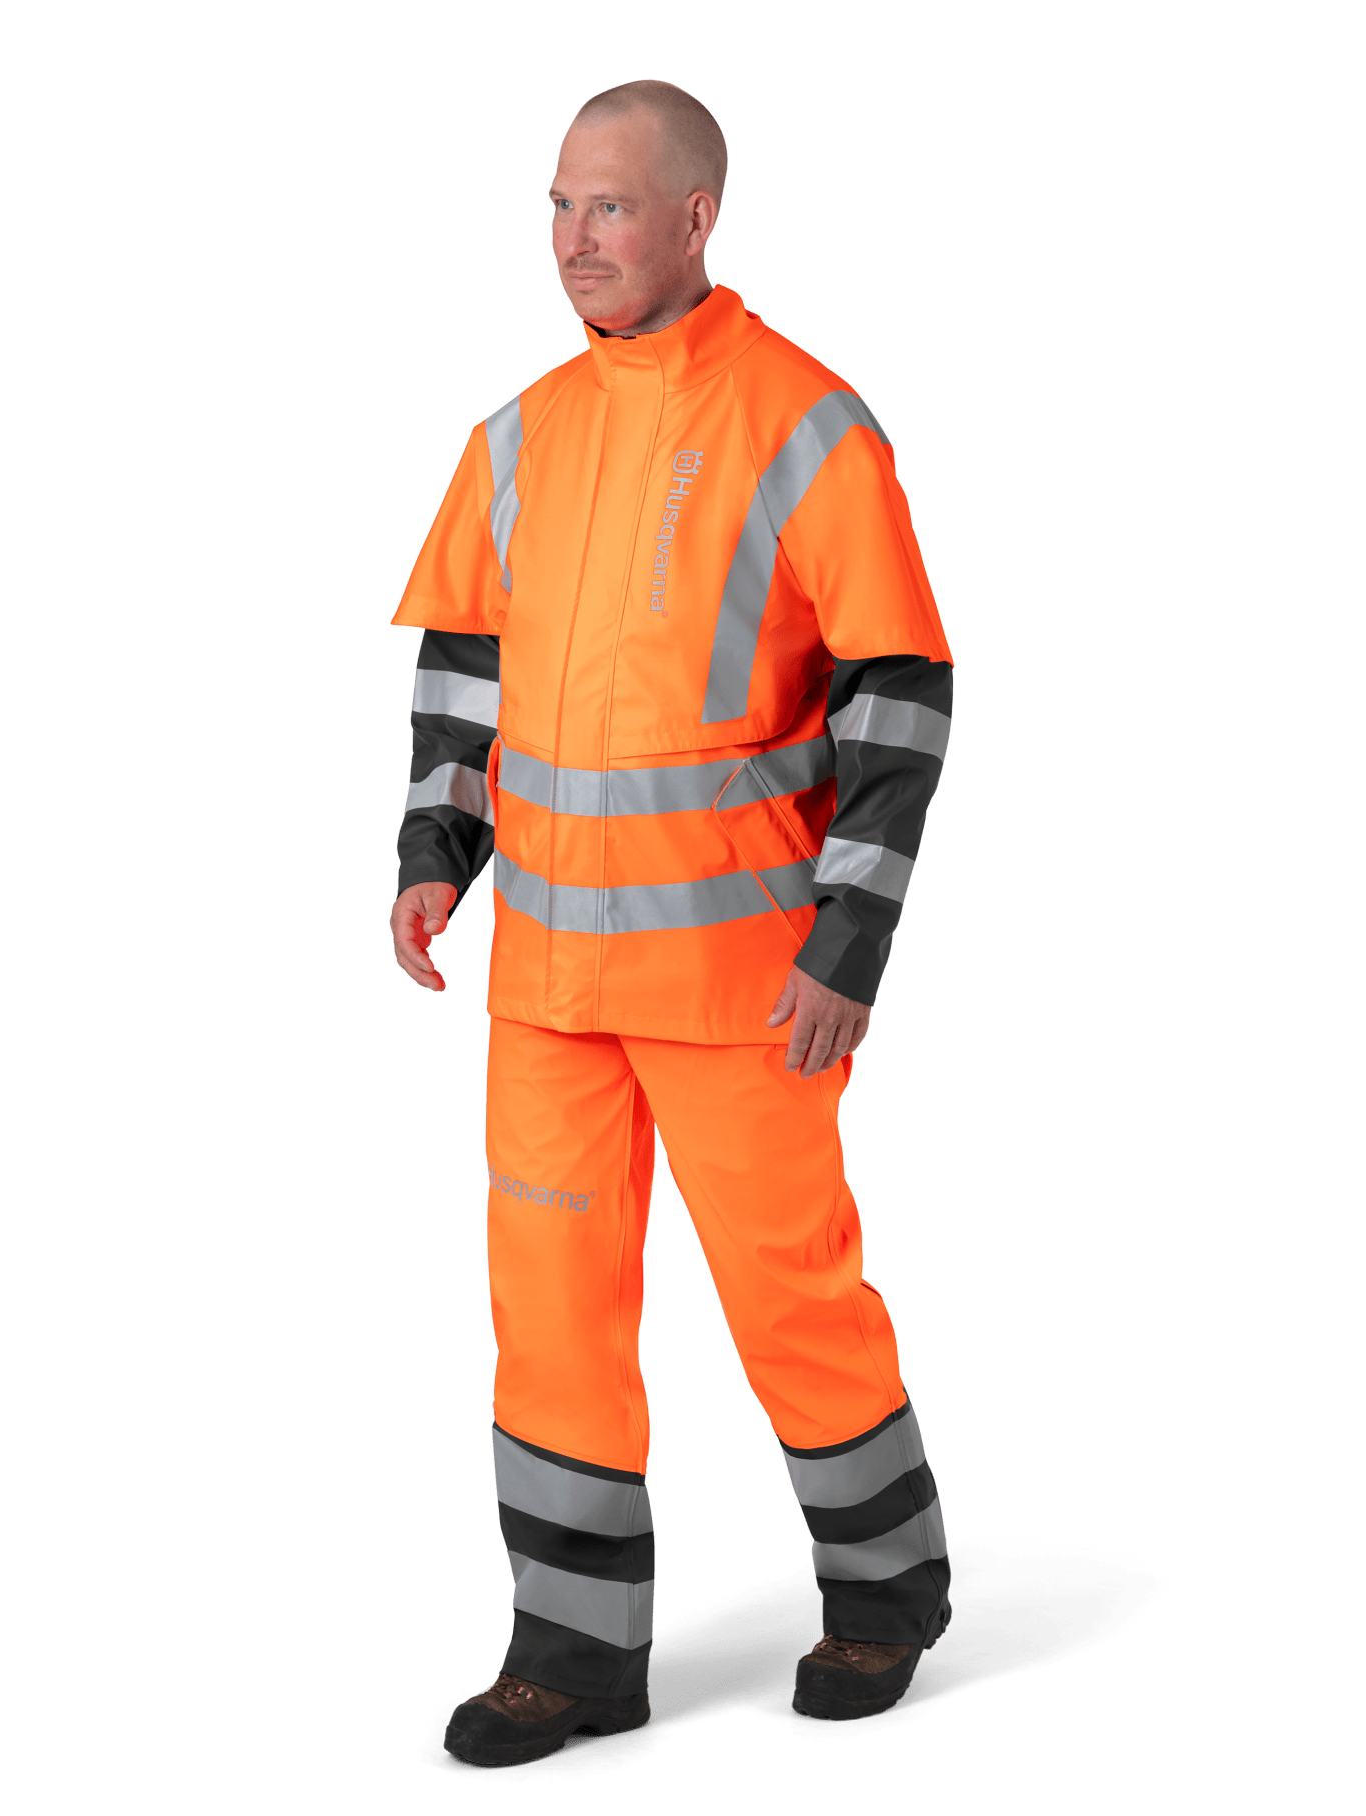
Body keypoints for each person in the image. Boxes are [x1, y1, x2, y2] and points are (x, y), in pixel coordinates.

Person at [388, 78, 956, 1767]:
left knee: (791, 1292)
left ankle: (889, 1596)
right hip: (548, 984)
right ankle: (573, 1656)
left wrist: (851, 938)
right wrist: (435, 846)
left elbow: (901, 691)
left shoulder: (807, 424)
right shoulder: (515, 436)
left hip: (740, 981)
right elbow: (463, 670)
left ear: (698, 217)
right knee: (552, 1309)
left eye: (612, 207)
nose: (575, 239)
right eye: (559, 207)